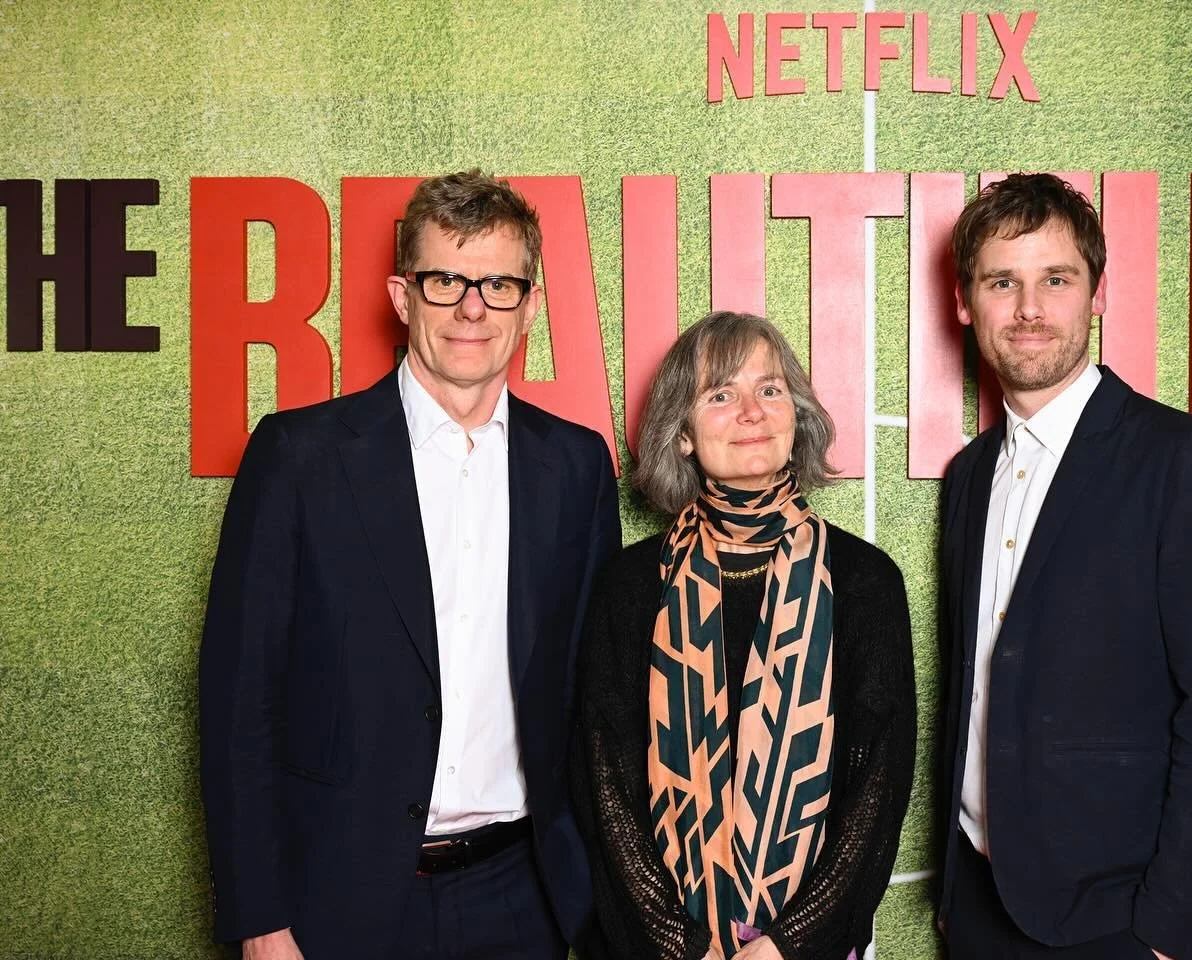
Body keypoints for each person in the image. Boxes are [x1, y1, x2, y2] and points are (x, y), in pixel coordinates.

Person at [199, 170, 620, 960]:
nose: (471, 307)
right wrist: (260, 920)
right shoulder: (299, 459)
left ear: (531, 304)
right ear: (402, 296)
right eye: (445, 280)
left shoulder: (575, 468)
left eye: (498, 283)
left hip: (523, 895)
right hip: (335, 899)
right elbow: (239, 706)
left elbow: (592, 697)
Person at [935, 173, 1192, 960]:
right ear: (965, 302)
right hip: (982, 909)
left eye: (1055, 279)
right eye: (1002, 282)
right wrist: (956, 898)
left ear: (1096, 293)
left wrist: (1172, 927)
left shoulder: (1189, 464)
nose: (1029, 309)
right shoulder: (969, 476)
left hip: (1121, 922)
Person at [572, 311, 915, 960]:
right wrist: (684, 944)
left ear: (798, 417)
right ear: (681, 436)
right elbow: (604, 779)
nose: (752, 411)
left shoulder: (867, 582)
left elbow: (879, 785)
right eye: (721, 394)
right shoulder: (629, 585)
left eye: (771, 389)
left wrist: (786, 945)